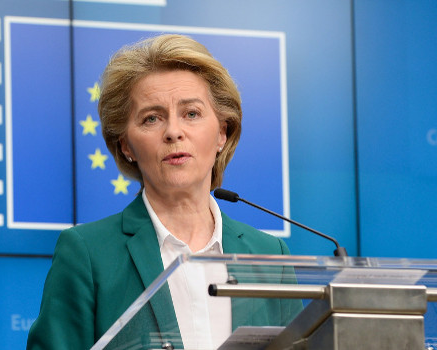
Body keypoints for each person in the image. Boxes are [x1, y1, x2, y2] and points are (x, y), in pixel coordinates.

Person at [27, 34, 301, 350]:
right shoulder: (88, 254)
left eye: (191, 113)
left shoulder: (270, 256)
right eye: (152, 118)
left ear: (222, 133)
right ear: (126, 145)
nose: (173, 132)